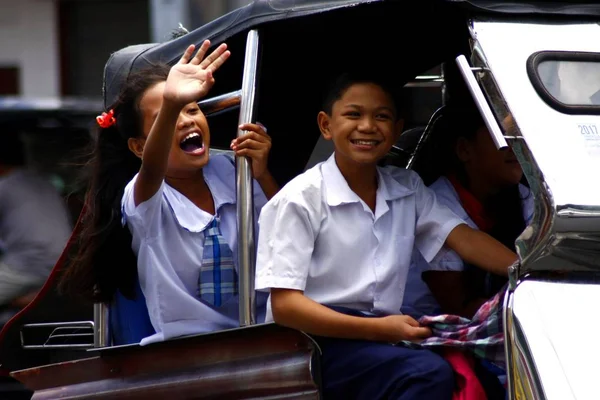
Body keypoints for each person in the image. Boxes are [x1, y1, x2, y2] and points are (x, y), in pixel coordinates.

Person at [254, 72, 519, 400]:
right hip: (309, 345)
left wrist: (528, 269)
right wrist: (378, 330)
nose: (367, 126)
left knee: (490, 374)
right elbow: (285, 307)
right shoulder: (300, 198)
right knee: (427, 375)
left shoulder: (406, 188)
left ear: (396, 129)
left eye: (381, 117)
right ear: (326, 125)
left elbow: (462, 237)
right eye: (353, 115)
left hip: (381, 337)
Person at [60, 40, 278, 345]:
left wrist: (263, 173)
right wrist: (173, 101)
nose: (187, 119)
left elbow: (282, 232)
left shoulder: (233, 168)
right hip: (184, 350)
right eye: (169, 116)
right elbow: (152, 167)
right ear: (138, 146)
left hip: (263, 334)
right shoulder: (143, 198)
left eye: (193, 109)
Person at [402, 106, 533, 320]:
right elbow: (460, 310)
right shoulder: (436, 203)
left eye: (517, 135)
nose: (515, 146)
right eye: (501, 135)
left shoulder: (525, 198)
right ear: (464, 149)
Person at [0, 133, 72, 325]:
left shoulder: (5, 186)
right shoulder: (46, 182)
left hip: (28, 264)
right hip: (60, 265)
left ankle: (18, 303)